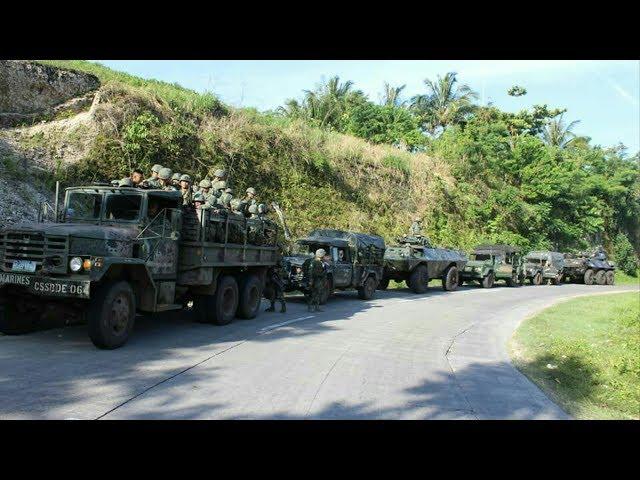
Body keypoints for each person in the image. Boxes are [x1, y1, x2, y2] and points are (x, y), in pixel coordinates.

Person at [307, 248, 328, 312]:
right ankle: (310, 306)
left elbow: (323, 272)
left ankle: (317, 307)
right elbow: (310, 272)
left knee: (319, 293)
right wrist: (311, 280)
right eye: (324, 254)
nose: (324, 256)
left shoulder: (322, 262)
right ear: (321, 255)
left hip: (321, 280)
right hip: (315, 279)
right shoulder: (314, 262)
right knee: (314, 293)